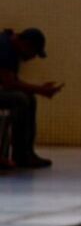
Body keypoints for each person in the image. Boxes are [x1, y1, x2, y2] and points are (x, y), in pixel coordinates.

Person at [0, 28, 63, 169]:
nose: (32, 57)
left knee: (27, 97)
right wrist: (41, 90)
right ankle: (22, 155)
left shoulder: (9, 47)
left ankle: (26, 153)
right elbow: (9, 84)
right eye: (34, 53)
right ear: (26, 44)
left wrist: (38, 89)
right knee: (20, 100)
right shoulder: (5, 48)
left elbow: (11, 81)